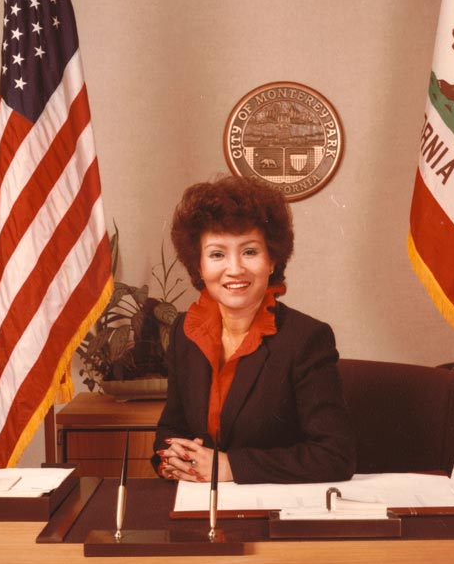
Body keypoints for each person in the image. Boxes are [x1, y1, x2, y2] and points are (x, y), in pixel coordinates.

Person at [152, 175, 356, 484]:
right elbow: (171, 429)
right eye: (217, 254)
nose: (235, 269)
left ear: (272, 259)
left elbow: (334, 457)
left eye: (249, 251)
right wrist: (172, 460)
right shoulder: (186, 331)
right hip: (201, 504)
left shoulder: (306, 339)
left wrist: (229, 467)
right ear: (199, 266)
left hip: (276, 514)